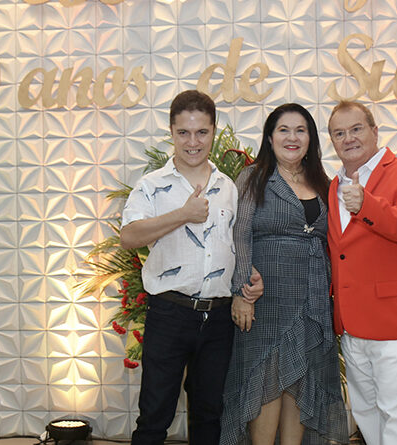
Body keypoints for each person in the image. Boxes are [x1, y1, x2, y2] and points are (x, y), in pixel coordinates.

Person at [119, 90, 263, 445]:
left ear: (213, 131)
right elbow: (129, 236)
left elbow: (235, 244)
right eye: (184, 132)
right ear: (171, 131)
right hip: (169, 313)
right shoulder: (152, 185)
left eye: (201, 132)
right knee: (154, 416)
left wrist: (249, 278)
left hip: (218, 318)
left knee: (209, 415)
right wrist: (183, 214)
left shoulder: (228, 187)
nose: (193, 142)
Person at [221, 103, 349, 445]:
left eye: (300, 130)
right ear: (270, 137)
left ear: (310, 139)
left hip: (313, 299)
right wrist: (241, 292)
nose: (292, 137)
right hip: (265, 298)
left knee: (303, 379)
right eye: (284, 130)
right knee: (265, 378)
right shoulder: (254, 177)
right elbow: (239, 234)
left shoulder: (323, 182)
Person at [326, 101, 397, 445]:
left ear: (374, 131)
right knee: (365, 410)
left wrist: (367, 205)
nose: (349, 139)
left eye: (356, 129)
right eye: (339, 133)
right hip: (352, 323)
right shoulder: (333, 185)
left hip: (394, 319)